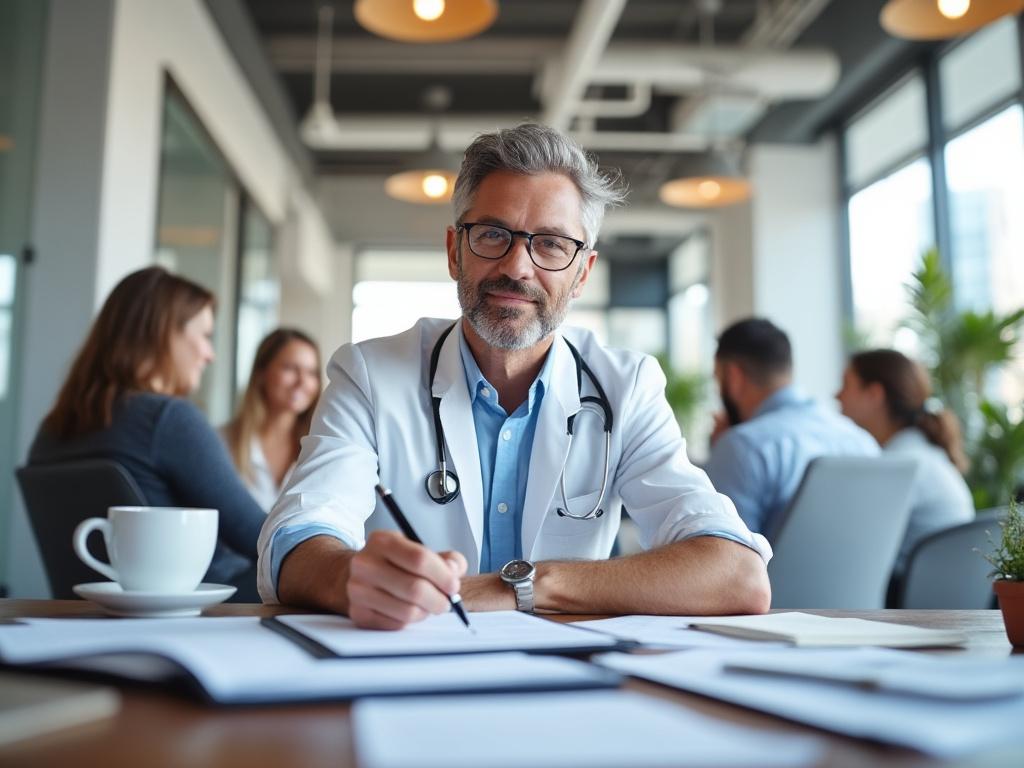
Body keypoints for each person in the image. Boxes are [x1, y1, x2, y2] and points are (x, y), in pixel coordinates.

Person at [257, 123, 772, 629]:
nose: (517, 266)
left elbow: (738, 575)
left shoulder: (627, 387)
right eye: (492, 235)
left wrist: (524, 586)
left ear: (582, 274)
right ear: (455, 251)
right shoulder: (370, 374)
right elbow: (295, 538)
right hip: (408, 668)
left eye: (549, 244)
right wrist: (349, 576)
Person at [30, 267, 266, 599]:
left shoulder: (50, 430)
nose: (209, 354)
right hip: (204, 605)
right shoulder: (167, 419)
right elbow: (263, 538)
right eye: (205, 336)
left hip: (86, 613)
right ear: (164, 333)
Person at [704, 318, 878, 540]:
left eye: (718, 381)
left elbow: (721, 560)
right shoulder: (862, 441)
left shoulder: (743, 446)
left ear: (733, 377)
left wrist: (724, 451)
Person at [836, 349, 974, 575]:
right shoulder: (923, 453)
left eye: (846, 385)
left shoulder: (898, 465)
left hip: (909, 603)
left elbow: (854, 550)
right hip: (939, 598)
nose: (837, 395)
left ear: (874, 394)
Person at [222, 329, 321, 512]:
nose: (302, 382)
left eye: (312, 373)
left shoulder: (322, 448)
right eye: (290, 368)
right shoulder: (222, 442)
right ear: (261, 373)